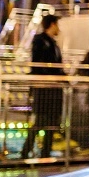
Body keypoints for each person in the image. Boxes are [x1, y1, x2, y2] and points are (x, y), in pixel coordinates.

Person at [21, 14, 64, 159]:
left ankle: (45, 153)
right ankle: (26, 152)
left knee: (51, 122)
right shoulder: (41, 40)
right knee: (40, 121)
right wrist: (54, 76)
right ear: (52, 24)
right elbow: (38, 63)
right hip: (44, 87)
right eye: (57, 24)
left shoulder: (53, 43)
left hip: (53, 89)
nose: (59, 28)